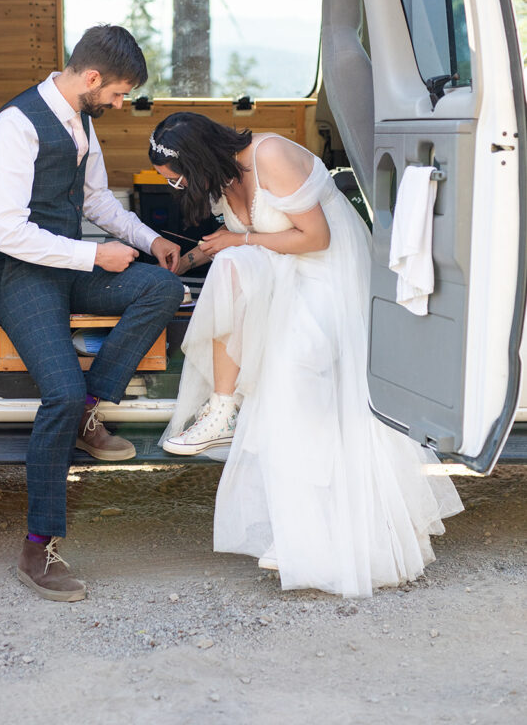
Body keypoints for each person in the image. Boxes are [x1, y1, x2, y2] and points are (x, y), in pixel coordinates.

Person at [148, 112, 463, 598]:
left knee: (295, 387)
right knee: (279, 390)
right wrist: (183, 263)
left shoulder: (270, 155)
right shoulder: (220, 178)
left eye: (178, 175)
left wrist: (238, 241)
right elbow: (235, 244)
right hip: (280, 272)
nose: (177, 185)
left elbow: (316, 238)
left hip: (326, 274)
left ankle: (320, 520)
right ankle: (276, 495)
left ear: (198, 158)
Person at [0, 25, 183, 602]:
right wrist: (94, 253)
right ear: (92, 78)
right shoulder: (15, 127)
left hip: (72, 266)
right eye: (119, 93)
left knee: (163, 291)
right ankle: (36, 548)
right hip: (22, 276)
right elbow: (8, 232)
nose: (120, 104)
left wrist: (150, 242)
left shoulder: (82, 118)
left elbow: (95, 199)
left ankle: (90, 410)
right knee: (60, 395)